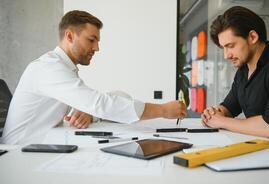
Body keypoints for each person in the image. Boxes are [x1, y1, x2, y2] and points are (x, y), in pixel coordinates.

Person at [1, 10, 186, 145]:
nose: (97, 48)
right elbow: (100, 103)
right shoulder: (48, 68)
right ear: (69, 36)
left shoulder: (63, 68)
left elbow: (96, 103)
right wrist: (163, 110)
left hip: (42, 144)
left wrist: (90, 113)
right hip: (19, 154)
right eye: (91, 40)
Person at [202, 6, 269, 145]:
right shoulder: (243, 71)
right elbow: (229, 107)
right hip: (265, 152)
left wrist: (222, 121)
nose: (226, 55)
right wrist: (213, 113)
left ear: (252, 37)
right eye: (223, 48)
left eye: (230, 46)